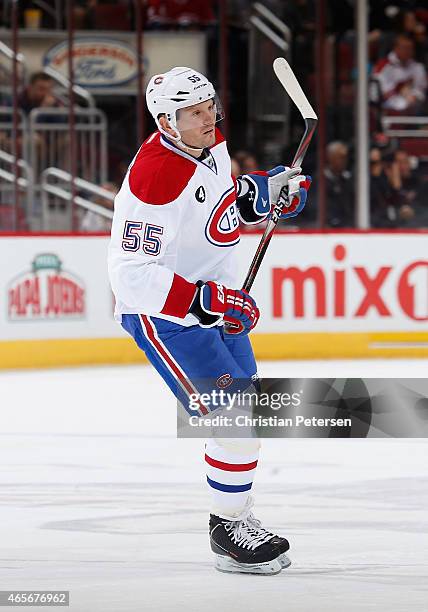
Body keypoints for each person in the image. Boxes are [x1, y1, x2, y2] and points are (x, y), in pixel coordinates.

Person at [108, 66, 311, 575]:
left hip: (213, 306)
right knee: (235, 420)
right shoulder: (153, 179)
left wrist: (262, 192)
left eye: (209, 108)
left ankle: (235, 520)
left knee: (246, 416)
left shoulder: (207, 141)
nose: (207, 119)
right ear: (165, 123)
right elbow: (131, 276)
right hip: (167, 316)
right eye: (192, 114)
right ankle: (228, 531)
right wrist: (207, 302)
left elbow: (219, 201)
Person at [371, 34, 427, 113]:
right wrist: (399, 88)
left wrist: (414, 97)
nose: (408, 51)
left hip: (412, 110)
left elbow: (420, 91)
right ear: (396, 49)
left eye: (410, 48)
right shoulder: (383, 66)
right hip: (387, 110)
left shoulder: (418, 67)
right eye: (405, 48)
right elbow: (376, 93)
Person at [324, 141, 354, 227]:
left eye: (345, 157)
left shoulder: (349, 180)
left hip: (348, 227)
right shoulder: (319, 181)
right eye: (340, 157)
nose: (344, 161)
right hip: (327, 228)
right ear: (330, 157)